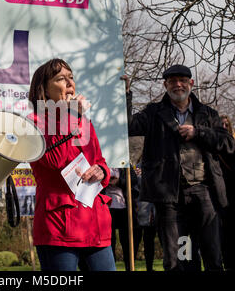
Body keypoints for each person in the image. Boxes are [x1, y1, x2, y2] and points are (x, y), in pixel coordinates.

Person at [122, 64, 235, 271]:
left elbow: (228, 144)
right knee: (178, 259)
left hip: (203, 193)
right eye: (172, 81)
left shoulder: (207, 114)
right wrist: (126, 94)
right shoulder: (154, 113)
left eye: (182, 80)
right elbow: (129, 126)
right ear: (165, 85)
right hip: (170, 198)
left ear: (191, 83)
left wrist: (198, 132)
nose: (178, 85)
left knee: (212, 255)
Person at [28, 58, 115, 271]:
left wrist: (101, 172)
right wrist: (72, 115)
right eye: (60, 78)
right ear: (45, 89)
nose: (70, 84)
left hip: (95, 224)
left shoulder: (83, 121)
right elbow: (53, 159)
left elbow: (100, 161)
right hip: (59, 227)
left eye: (71, 78)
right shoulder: (34, 121)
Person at [218, 115, 235, 271]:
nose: (223, 126)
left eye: (226, 124)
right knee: (223, 238)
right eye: (220, 124)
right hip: (218, 198)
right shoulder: (212, 149)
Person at [102, 167, 140, 271]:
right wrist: (105, 179)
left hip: (124, 208)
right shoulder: (101, 163)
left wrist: (119, 181)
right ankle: (110, 267)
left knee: (127, 242)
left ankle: (129, 267)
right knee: (109, 242)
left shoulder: (125, 165)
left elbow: (133, 180)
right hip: (107, 208)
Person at [133, 164, 158, 272]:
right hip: (138, 211)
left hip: (151, 213)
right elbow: (135, 187)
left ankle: (149, 267)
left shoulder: (155, 166)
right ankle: (131, 267)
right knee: (134, 242)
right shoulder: (137, 168)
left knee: (149, 243)